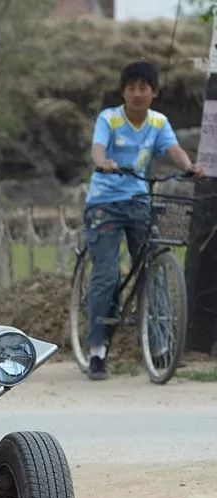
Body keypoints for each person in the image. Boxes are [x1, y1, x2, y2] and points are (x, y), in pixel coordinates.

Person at [82, 61, 201, 381]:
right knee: (106, 273)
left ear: (154, 92)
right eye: (131, 87)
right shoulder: (110, 118)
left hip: (138, 201)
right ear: (123, 92)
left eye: (143, 88)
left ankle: (160, 345)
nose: (137, 94)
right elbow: (97, 148)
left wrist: (189, 166)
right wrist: (102, 162)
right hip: (104, 204)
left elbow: (173, 150)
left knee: (154, 270)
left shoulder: (159, 122)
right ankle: (96, 348)